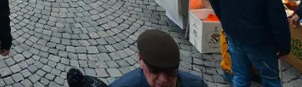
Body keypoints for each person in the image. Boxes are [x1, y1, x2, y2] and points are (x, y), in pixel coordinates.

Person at [67, 29, 209, 87]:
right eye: (154, 70)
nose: (163, 79)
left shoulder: (197, 85)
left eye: (170, 71)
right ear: (140, 60)